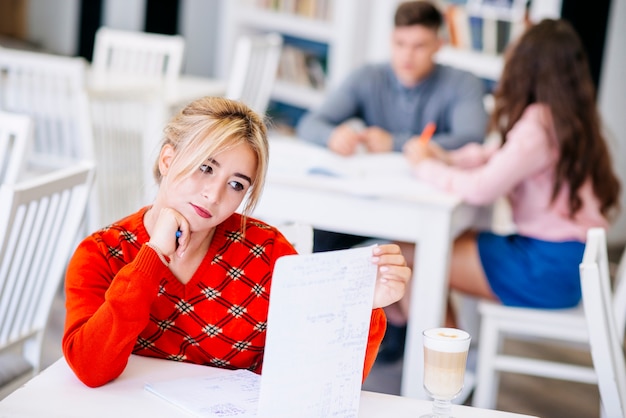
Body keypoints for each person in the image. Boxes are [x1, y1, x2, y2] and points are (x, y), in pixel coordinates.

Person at [62, 96, 411, 388]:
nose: (213, 194)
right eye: (206, 167)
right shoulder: (102, 254)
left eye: (236, 185)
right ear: (167, 159)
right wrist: (152, 255)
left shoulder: (267, 252)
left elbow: (317, 379)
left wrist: (361, 307)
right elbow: (91, 369)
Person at [296, 0, 488, 361]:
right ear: (390, 41)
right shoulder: (368, 76)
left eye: (419, 46)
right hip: (370, 200)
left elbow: (471, 138)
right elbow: (312, 122)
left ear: (438, 45)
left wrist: (395, 143)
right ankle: (323, 340)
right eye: (400, 44)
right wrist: (332, 136)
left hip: (423, 211)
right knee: (319, 239)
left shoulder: (462, 84)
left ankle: (402, 340)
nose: (407, 56)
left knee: (409, 253)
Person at [399, 18, 621, 330]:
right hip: (569, 264)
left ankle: (443, 372)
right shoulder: (569, 119)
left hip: (544, 269)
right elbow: (498, 156)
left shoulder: (537, 125)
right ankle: (449, 365)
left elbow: (481, 188)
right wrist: (446, 157)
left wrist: (425, 165)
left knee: (413, 254)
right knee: (426, 250)